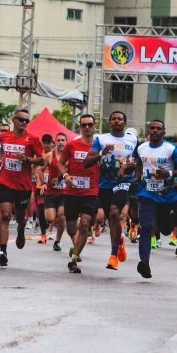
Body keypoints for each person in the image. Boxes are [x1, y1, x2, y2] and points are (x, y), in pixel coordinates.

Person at [132, 119, 177, 278]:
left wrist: (169, 174)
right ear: (149, 131)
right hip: (147, 193)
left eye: (158, 128)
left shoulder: (171, 149)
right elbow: (139, 164)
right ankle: (144, 263)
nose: (155, 131)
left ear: (163, 132)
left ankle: (165, 228)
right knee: (146, 227)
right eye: (152, 128)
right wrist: (137, 178)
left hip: (167, 196)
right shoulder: (142, 148)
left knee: (164, 229)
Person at [84, 111, 138, 270]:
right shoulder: (100, 139)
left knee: (115, 212)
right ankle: (119, 241)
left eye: (120, 119)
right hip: (106, 184)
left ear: (124, 123)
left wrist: (134, 169)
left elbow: (139, 159)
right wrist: (101, 153)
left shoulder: (133, 139)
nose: (116, 121)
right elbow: (86, 162)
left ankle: (113, 256)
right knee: (111, 219)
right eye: (113, 118)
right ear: (110, 122)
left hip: (124, 183)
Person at [0, 109, 44, 267]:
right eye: (21, 119)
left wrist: (29, 159)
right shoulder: (3, 136)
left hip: (23, 185)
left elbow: (43, 161)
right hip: (5, 181)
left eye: (26, 121)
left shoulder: (33, 139)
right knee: (5, 215)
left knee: (21, 217)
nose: (24, 122)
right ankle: (3, 251)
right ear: (13, 119)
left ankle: (21, 229)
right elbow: (1, 154)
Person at [60, 114, 100, 274]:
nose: (87, 128)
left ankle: (74, 259)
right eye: (84, 125)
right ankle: (76, 244)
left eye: (90, 124)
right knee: (71, 229)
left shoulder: (99, 147)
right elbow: (61, 164)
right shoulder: (71, 145)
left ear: (94, 126)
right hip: (72, 192)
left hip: (90, 192)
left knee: (84, 224)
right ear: (80, 127)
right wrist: (65, 176)